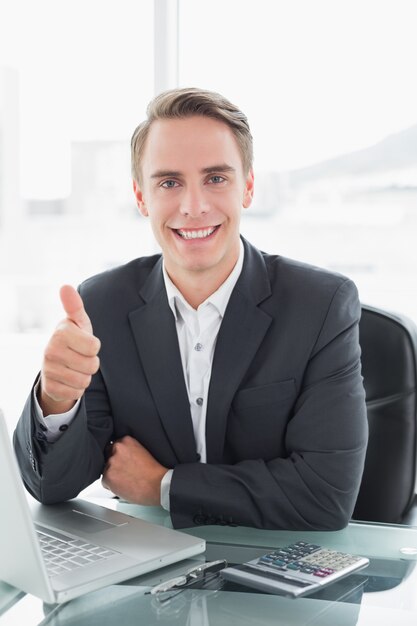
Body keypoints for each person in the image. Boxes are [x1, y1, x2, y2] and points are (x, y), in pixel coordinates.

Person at [14, 87, 368, 530]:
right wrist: (56, 398)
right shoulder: (103, 305)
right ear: (142, 197)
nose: (194, 207)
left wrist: (165, 485)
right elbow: (51, 488)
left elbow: (325, 496)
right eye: (169, 182)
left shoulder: (321, 307)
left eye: (216, 178)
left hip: (282, 576)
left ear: (248, 187)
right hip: (149, 573)